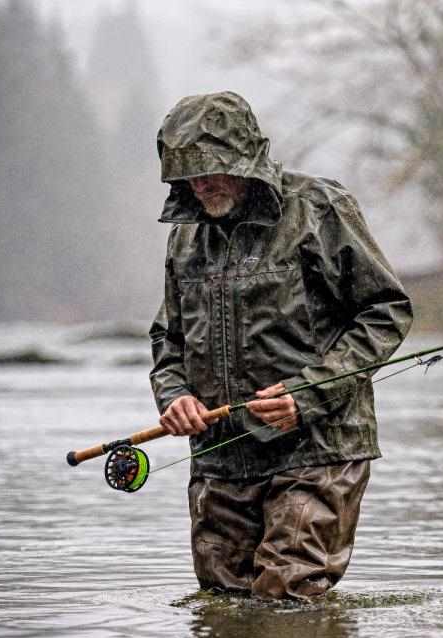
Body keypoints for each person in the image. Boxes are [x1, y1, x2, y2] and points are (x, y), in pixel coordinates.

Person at [149, 91, 413, 601]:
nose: (201, 183)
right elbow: (168, 336)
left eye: (212, 168)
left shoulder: (318, 208)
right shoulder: (185, 239)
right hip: (220, 460)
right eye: (188, 173)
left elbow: (385, 310)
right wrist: (173, 396)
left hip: (318, 450)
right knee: (220, 610)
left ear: (244, 159)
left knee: (288, 598)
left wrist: (307, 394)